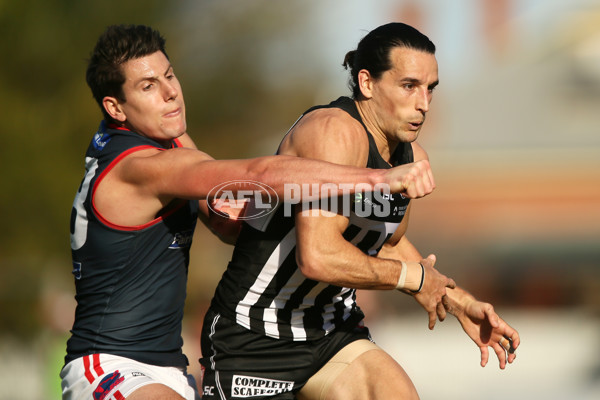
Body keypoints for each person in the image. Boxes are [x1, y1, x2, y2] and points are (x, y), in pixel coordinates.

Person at [60, 24, 438, 400]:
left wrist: (443, 290)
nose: (171, 93)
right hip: (110, 364)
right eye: (148, 86)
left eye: (169, 75)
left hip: (171, 369)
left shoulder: (168, 141)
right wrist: (378, 179)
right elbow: (254, 176)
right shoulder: (139, 166)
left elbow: (231, 223)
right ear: (115, 107)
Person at [199, 22, 520, 400]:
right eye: (409, 86)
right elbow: (317, 257)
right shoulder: (333, 132)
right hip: (254, 340)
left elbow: (386, 243)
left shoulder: (411, 156)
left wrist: (456, 300)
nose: (424, 103)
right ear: (366, 83)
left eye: (430, 89)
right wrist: (413, 279)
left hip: (332, 335)